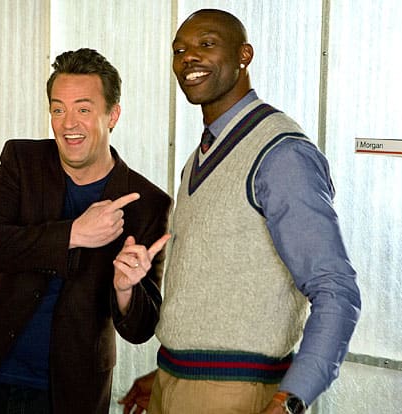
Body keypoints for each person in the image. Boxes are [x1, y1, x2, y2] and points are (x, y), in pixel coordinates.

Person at [119, 9, 361, 414]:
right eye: (179, 50)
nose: (189, 58)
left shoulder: (281, 154)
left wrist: (290, 399)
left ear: (244, 55)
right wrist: (171, 378)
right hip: (175, 381)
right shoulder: (200, 156)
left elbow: (336, 289)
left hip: (237, 393)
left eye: (206, 44)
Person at [0, 48, 172, 413]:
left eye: (83, 110)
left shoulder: (146, 202)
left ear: (112, 115)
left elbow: (141, 328)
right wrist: (74, 233)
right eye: (58, 109)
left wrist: (125, 290)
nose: (68, 123)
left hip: (69, 391)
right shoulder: (22, 161)